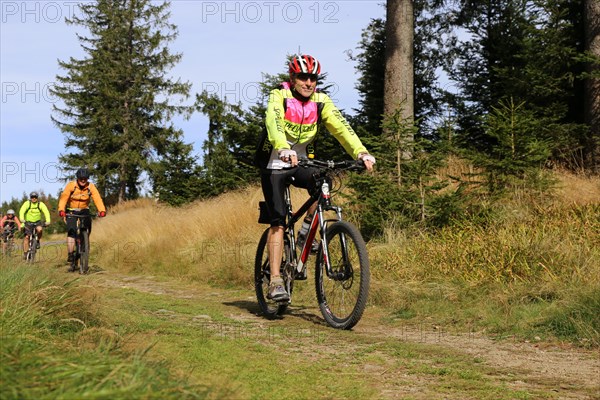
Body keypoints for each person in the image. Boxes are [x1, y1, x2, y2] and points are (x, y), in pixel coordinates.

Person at [257, 54, 375, 302]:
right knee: (278, 221)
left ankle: (304, 236)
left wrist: (361, 152)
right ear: (293, 78)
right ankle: (276, 280)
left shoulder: (321, 101)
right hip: (275, 163)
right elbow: (274, 121)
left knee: (323, 182)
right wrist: (281, 147)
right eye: (303, 77)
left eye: (313, 78)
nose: (309, 82)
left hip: (301, 160)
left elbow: (341, 127)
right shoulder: (280, 95)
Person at [57, 168, 107, 269]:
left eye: (85, 179)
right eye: (81, 179)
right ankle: (71, 254)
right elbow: (64, 198)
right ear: (78, 178)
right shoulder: (71, 185)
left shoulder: (90, 186)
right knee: (71, 231)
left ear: (87, 179)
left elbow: (97, 198)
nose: (83, 180)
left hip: (84, 210)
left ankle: (84, 244)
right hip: (72, 210)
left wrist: (102, 210)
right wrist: (61, 210)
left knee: (87, 231)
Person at [19, 192, 51, 259]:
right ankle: (25, 253)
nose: (33, 198)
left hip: (37, 222)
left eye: (35, 197)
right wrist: (22, 219)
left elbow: (46, 212)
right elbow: (21, 211)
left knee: (40, 229)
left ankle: (37, 240)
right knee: (27, 237)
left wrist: (48, 221)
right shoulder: (27, 203)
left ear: (37, 197)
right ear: (30, 198)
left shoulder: (40, 204)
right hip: (28, 222)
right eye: (32, 197)